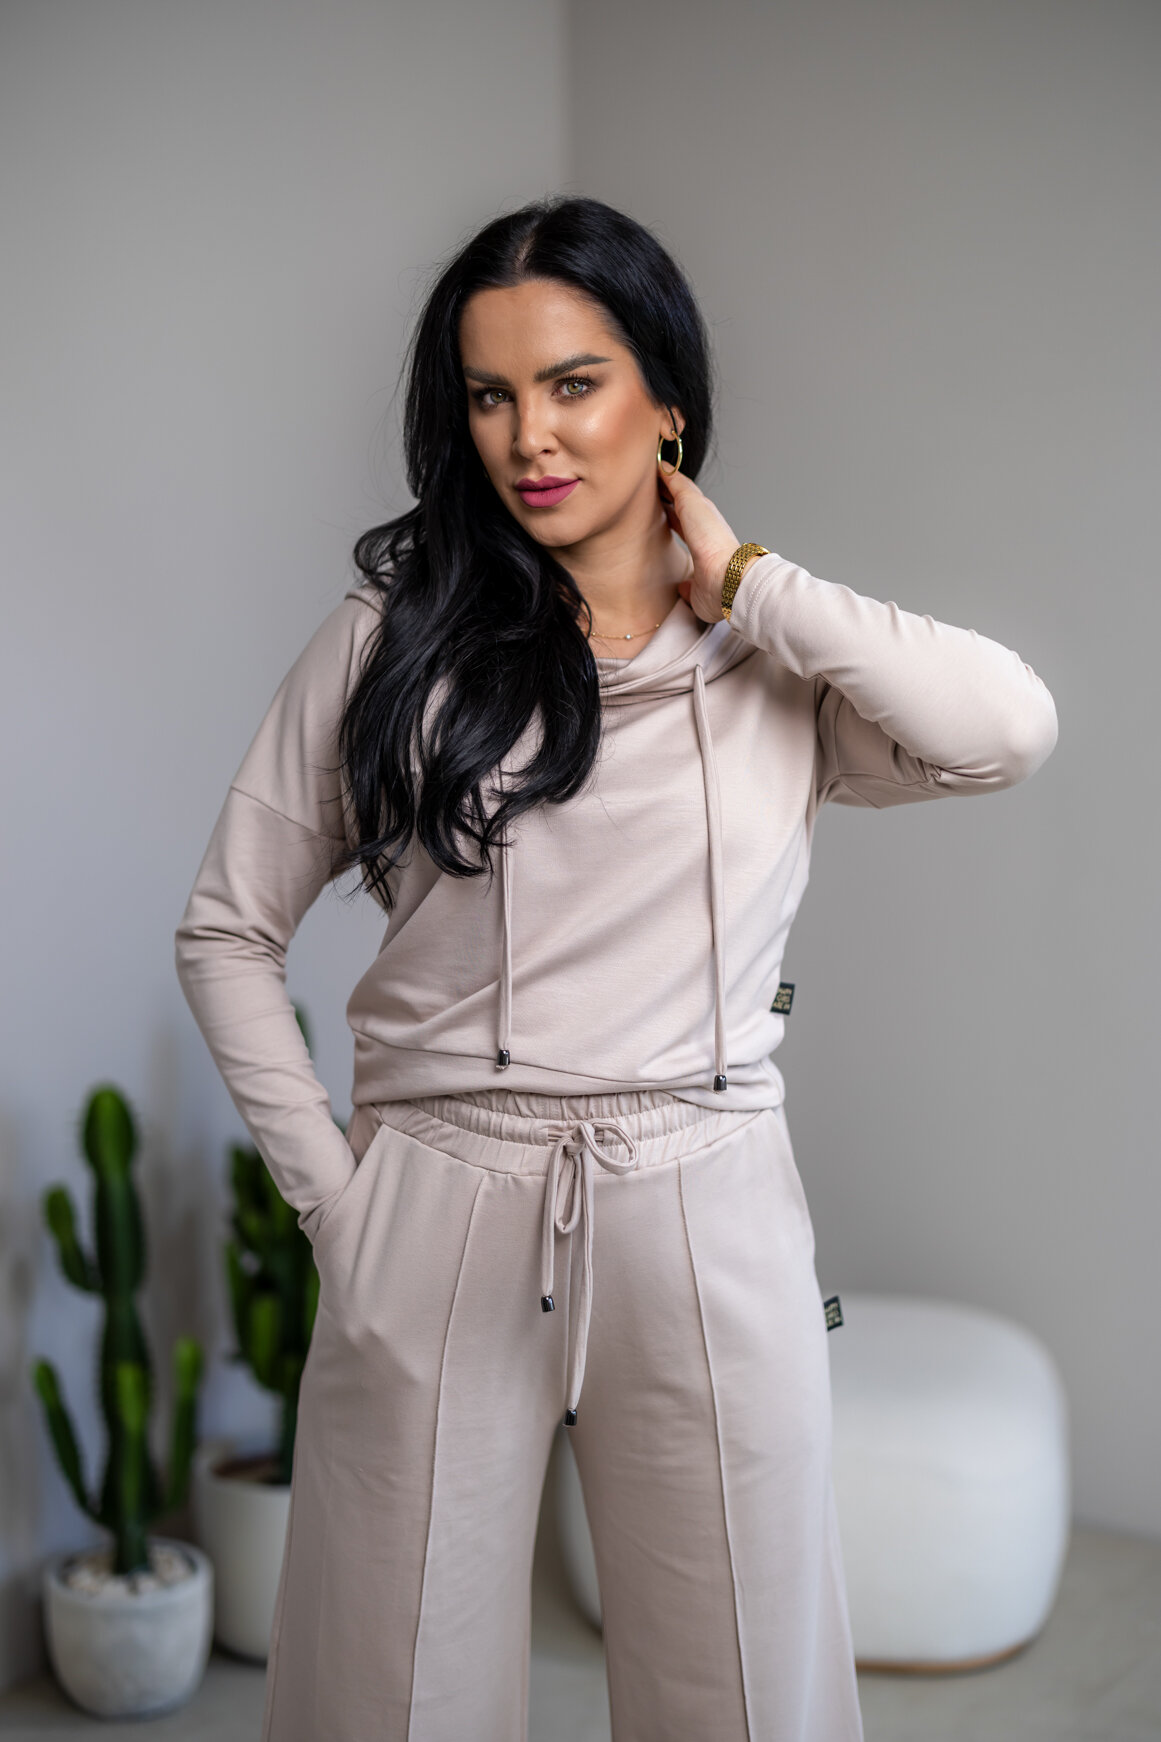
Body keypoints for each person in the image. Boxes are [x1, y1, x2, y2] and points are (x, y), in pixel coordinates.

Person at [174, 194, 1058, 1742]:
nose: (529, 435)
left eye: (573, 383)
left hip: (709, 1193)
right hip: (441, 1193)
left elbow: (1005, 729)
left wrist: (753, 580)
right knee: (392, 1691)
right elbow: (226, 927)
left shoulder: (777, 665)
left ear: (666, 400)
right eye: (490, 394)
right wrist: (337, 1205)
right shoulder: (395, 637)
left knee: (745, 1690)